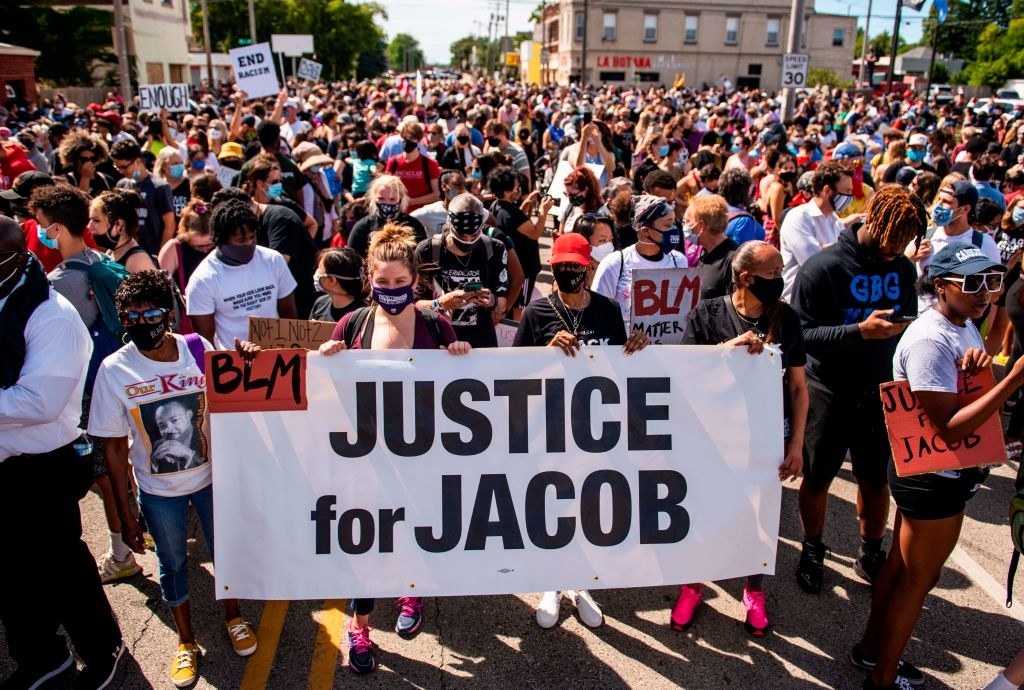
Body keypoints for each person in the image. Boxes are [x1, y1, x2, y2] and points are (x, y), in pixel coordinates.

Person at [855, 242, 1018, 690]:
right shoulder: (931, 338)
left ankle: (871, 653)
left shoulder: (958, 321)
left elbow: (955, 389)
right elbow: (946, 427)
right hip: (934, 478)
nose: (984, 294)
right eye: (971, 284)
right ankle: (883, 679)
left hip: (930, 474)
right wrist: (1014, 380)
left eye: (991, 282)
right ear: (941, 285)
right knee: (918, 580)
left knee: (899, 569)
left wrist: (977, 366)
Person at [88, 270, 258, 687]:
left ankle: (234, 616)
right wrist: (125, 513)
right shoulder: (115, 369)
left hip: (211, 480)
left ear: (171, 314)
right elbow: (111, 447)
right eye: (131, 317)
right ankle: (185, 640)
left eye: (153, 314)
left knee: (227, 553)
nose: (143, 324)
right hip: (157, 490)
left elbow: (239, 394)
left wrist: (248, 357)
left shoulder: (197, 349)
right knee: (174, 564)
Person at [318, 223, 471, 674]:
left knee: (412, 530)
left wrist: (460, 349)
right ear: (369, 280)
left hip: (423, 454)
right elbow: (328, 388)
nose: (390, 289)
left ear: (415, 282)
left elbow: (468, 385)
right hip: (368, 458)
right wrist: (328, 357)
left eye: (400, 282)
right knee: (368, 543)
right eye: (382, 282)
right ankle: (360, 626)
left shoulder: (433, 321)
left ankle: (410, 589)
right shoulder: (354, 323)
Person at [0, 215, 126, 690]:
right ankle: (40, 656)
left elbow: (39, 402)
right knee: (12, 574)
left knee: (62, 568)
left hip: (41, 469)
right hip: (7, 467)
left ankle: (102, 648)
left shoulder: (51, 317)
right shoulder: (8, 299)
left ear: (14, 260)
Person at [790, 185, 926, 595]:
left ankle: (870, 551)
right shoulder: (823, 268)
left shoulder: (902, 268)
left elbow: (910, 318)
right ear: (873, 220)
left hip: (880, 393)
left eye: (906, 241)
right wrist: (858, 331)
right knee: (817, 479)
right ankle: (812, 549)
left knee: (875, 481)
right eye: (892, 238)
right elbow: (802, 335)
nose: (897, 247)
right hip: (829, 390)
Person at [671, 240, 807, 637]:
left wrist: (796, 443)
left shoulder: (788, 319)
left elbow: (799, 387)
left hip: (765, 442)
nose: (781, 279)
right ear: (746, 278)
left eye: (781, 271)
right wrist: (726, 350)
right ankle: (694, 583)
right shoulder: (708, 314)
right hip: (712, 438)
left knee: (759, 519)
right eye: (773, 273)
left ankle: (753, 590)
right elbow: (685, 374)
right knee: (704, 513)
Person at [513, 232, 648, 629]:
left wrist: (637, 347)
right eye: (561, 267)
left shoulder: (607, 309)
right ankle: (552, 584)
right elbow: (512, 373)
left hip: (595, 429)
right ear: (551, 269)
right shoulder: (537, 313)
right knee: (553, 506)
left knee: (588, 506)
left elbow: (620, 363)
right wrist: (545, 351)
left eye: (576, 266)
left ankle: (582, 582)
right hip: (549, 428)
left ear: (588, 268)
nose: (569, 272)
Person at [186, 199, 298, 348]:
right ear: (220, 240)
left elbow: (289, 315)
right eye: (241, 240)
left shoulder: (273, 260)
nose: (248, 244)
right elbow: (205, 342)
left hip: (276, 358)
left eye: (252, 237)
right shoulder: (203, 280)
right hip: (233, 364)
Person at [416, 193, 510, 346]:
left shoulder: (494, 249)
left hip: (480, 340)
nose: (467, 241)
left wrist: (491, 300)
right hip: (438, 339)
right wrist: (440, 303)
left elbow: (502, 302)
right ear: (449, 225)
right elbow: (413, 305)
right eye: (460, 235)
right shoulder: (428, 250)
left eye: (474, 236)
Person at [592, 194, 686, 328]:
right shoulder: (615, 264)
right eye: (668, 225)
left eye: (674, 223)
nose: (674, 229)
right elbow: (598, 314)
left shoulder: (679, 261)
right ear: (645, 231)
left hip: (668, 348)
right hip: (625, 347)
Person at [780, 161, 853, 301]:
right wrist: (838, 250)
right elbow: (813, 262)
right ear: (827, 190)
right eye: (846, 191)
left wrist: (828, 249)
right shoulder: (799, 218)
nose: (850, 196)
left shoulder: (834, 220)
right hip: (797, 303)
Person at [489, 167, 553, 314]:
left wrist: (527, 203)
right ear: (507, 191)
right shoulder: (511, 213)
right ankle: (514, 334)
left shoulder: (498, 207)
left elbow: (516, 225)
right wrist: (543, 212)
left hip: (511, 265)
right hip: (524, 267)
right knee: (519, 306)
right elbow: (535, 233)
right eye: (517, 186)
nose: (519, 189)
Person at [110, 138, 175, 256]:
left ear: (138, 161)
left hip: (151, 253)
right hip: (126, 253)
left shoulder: (160, 187)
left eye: (124, 167)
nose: (120, 171)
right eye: (117, 167)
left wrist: (161, 257)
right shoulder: (122, 185)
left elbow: (169, 225)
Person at [346, 175, 427, 258]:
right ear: (373, 198)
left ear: (401, 199)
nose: (387, 203)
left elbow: (423, 259)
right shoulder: (362, 227)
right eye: (381, 199)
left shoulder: (414, 225)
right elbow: (352, 260)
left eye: (392, 199)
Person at [89, 188, 158, 273]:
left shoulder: (138, 260)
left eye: (96, 220)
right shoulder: (112, 251)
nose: (89, 226)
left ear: (119, 224)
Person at [683, 194, 737, 299]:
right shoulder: (705, 251)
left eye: (688, 221)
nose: (685, 227)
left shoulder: (733, 260)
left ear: (702, 225)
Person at [159, 198, 215, 296]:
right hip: (186, 307)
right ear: (186, 233)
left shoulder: (222, 244)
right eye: (199, 246)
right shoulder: (173, 248)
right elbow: (160, 286)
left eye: (210, 245)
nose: (205, 249)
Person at [384, 120, 442, 213]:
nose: (407, 141)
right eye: (404, 137)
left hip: (421, 215)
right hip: (397, 213)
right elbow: (386, 188)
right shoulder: (393, 162)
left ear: (418, 140)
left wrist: (412, 202)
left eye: (411, 138)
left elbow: (436, 194)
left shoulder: (429, 164)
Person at [310, 247, 366, 322]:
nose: (317, 273)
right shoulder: (320, 304)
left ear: (332, 280)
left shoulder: (362, 315)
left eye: (320, 268)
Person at [718, 167, 766, 244]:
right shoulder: (743, 221)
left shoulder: (719, 210)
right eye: (751, 188)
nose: (752, 190)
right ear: (745, 191)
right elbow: (744, 253)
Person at [557, 166, 608, 236]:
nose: (569, 198)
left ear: (586, 190)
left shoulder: (601, 212)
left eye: (573, 195)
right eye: (567, 194)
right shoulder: (569, 208)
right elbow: (561, 234)